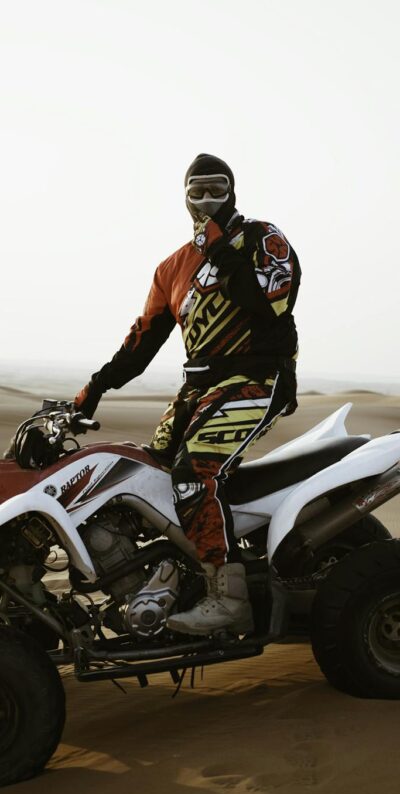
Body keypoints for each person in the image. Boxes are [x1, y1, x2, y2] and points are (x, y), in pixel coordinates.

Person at [74, 153, 301, 636]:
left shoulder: (265, 239)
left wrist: (220, 250)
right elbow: (139, 345)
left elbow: (269, 309)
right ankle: (171, 573)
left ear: (233, 191)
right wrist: (90, 392)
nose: (206, 200)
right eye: (196, 191)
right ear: (183, 197)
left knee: (193, 472)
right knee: (144, 471)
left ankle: (229, 597)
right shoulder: (172, 268)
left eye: (216, 189)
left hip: (258, 377)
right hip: (198, 385)